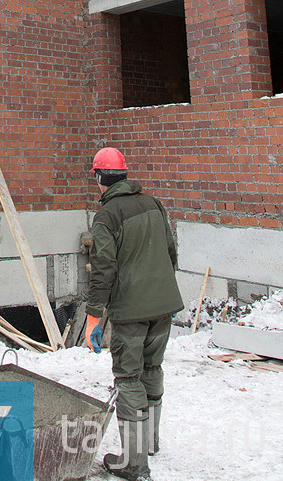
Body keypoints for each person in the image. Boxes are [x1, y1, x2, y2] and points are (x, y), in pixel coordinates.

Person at [85, 148, 183, 481]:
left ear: (99, 178)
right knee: (152, 368)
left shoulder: (107, 216)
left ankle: (134, 463)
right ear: (125, 174)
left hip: (131, 313)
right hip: (164, 305)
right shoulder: (154, 204)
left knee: (128, 379)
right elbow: (172, 251)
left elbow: (103, 269)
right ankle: (149, 443)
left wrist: (94, 316)